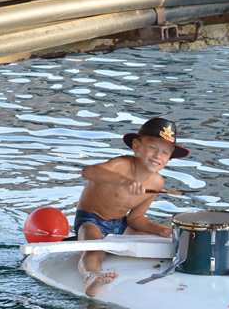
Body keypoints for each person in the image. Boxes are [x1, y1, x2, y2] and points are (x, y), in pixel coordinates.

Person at [75, 117, 188, 296]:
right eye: (153, 148)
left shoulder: (157, 182)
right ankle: (91, 277)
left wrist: (160, 229)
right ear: (136, 146)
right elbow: (87, 171)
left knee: (162, 242)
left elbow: (135, 219)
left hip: (120, 224)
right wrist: (124, 181)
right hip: (92, 220)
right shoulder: (122, 165)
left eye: (165, 152)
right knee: (94, 248)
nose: (158, 156)